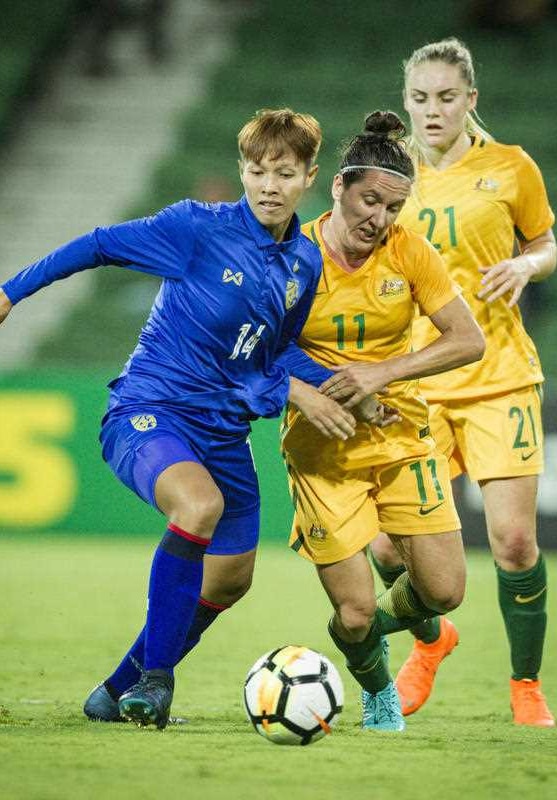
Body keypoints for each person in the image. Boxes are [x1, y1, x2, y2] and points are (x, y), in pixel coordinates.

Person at [0, 108, 360, 730]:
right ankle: (157, 682)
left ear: (309, 177)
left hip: (225, 432)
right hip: (150, 410)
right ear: (242, 172)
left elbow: (272, 350)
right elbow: (97, 244)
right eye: (255, 171)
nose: (267, 185)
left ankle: (114, 692)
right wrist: (10, 292)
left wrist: (342, 383)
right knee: (197, 507)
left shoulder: (305, 260)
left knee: (229, 581)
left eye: (283, 172)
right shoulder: (195, 228)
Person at [369, 38, 557, 727]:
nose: (431, 111)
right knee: (385, 545)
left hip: (498, 379)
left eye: (446, 97)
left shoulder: (510, 168)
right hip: (417, 386)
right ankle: (429, 641)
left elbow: (543, 242)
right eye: (419, 98)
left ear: (469, 99)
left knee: (512, 541)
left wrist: (527, 267)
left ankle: (524, 686)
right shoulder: (388, 176)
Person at [281, 110, 485, 731]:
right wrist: (324, 389)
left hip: (400, 438)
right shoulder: (291, 255)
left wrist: (382, 373)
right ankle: (376, 688)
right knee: (356, 613)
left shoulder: (409, 251)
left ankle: (383, 631)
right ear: (338, 187)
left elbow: (468, 340)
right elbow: (259, 353)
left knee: (446, 591)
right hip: (322, 454)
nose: (381, 219)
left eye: (394, 207)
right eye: (371, 201)